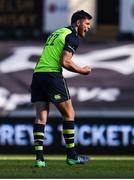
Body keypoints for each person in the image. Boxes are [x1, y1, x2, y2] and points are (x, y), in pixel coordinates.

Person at [30, 10, 92, 167]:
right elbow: (65, 61)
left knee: (40, 117)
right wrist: (82, 71)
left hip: (38, 75)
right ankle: (72, 156)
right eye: (86, 23)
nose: (88, 27)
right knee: (69, 114)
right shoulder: (72, 36)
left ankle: (39, 159)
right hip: (52, 75)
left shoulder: (57, 32)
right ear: (78, 23)